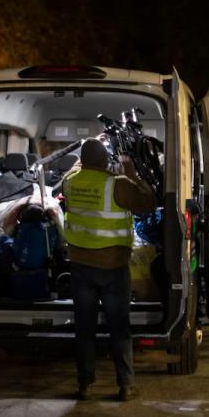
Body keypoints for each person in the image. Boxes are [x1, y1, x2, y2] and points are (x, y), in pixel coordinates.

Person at [63, 138, 156, 401]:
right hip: (113, 267)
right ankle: (125, 384)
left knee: (84, 327)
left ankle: (85, 383)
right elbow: (149, 203)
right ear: (105, 160)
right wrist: (132, 173)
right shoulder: (118, 185)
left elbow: (78, 167)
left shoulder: (69, 182)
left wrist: (91, 152)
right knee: (119, 326)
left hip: (80, 267)